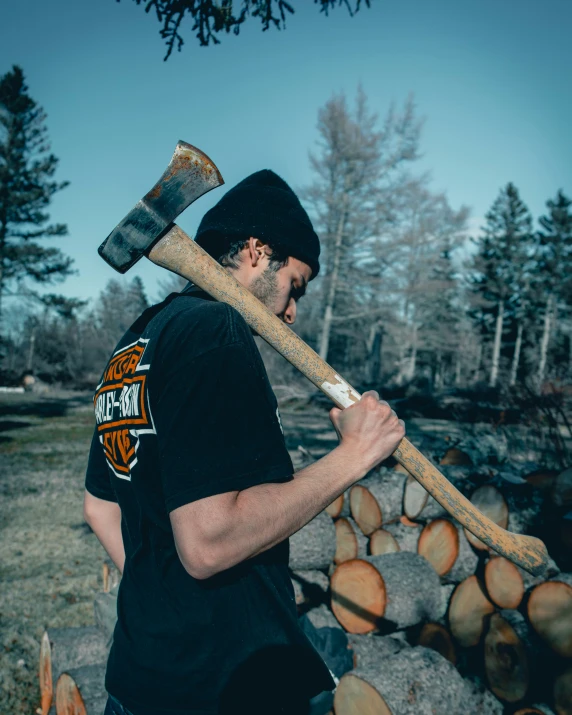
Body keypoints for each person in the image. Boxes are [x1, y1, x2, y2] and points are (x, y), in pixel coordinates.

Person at [84, 170, 405, 715]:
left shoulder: (139, 339)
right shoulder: (216, 331)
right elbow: (209, 543)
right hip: (223, 688)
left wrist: (168, 608)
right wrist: (355, 456)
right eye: (294, 286)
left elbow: (99, 506)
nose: (291, 312)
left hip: (142, 679)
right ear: (257, 251)